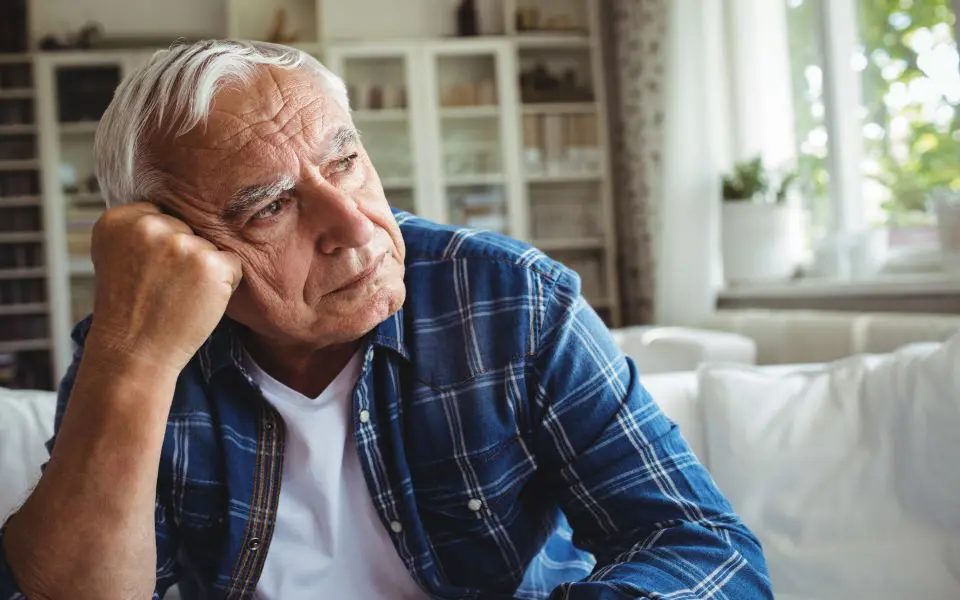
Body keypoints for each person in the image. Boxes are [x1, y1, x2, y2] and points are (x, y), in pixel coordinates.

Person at [0, 40, 772, 599]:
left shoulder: (511, 300)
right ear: (175, 248)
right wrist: (132, 362)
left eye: (345, 163)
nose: (355, 225)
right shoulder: (137, 347)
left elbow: (705, 547)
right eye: (270, 206)